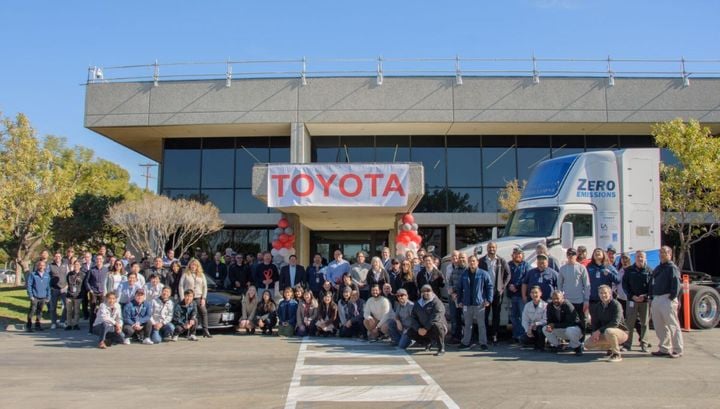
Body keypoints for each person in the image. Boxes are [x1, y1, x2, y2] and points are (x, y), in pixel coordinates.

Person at [649, 246, 683, 358]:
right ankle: (664, 348)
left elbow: (676, 284)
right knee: (659, 326)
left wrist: (672, 297)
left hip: (667, 298)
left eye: (665, 252)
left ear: (670, 254)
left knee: (672, 325)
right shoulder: (658, 268)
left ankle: (677, 349)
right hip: (657, 299)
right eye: (660, 252)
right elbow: (652, 282)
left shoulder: (672, 268)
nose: (662, 254)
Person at [456, 254, 494, 350]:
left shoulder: (484, 274)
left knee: (481, 324)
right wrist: (459, 300)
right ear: (468, 263)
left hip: (479, 303)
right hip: (467, 303)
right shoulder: (464, 274)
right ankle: (466, 342)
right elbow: (459, 288)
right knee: (467, 324)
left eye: (474, 261)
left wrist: (489, 300)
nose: (472, 263)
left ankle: (483, 343)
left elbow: (489, 287)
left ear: (477, 262)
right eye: (470, 261)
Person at [583, 284, 628, 362]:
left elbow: (615, 323)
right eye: (601, 293)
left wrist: (599, 331)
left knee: (609, 331)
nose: (603, 295)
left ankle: (616, 354)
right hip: (605, 332)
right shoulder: (597, 306)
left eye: (605, 293)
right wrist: (594, 332)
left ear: (610, 293)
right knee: (587, 344)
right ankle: (610, 347)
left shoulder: (616, 304)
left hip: (621, 332)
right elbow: (595, 323)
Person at [479, 242, 510, 344]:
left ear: (496, 248)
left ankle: (494, 335)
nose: (491, 249)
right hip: (485, 292)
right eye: (489, 247)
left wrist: (502, 286)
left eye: (493, 247)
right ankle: (486, 335)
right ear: (487, 249)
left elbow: (508, 274)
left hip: (497, 292)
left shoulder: (501, 260)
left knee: (496, 315)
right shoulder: (481, 261)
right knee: (485, 314)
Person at [557, 248, 590, 341]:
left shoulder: (581, 267)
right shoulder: (563, 268)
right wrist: (560, 298)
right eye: (569, 254)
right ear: (567, 255)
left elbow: (587, 284)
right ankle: (569, 340)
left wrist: (586, 300)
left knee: (581, 321)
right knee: (567, 321)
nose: (571, 256)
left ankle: (581, 340)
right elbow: (559, 284)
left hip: (579, 300)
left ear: (576, 255)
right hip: (567, 300)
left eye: (573, 254)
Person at [622, 251, 652, 352]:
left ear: (645, 258)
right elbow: (624, 285)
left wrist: (646, 296)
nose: (640, 259)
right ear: (635, 258)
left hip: (645, 301)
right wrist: (632, 296)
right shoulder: (629, 270)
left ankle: (644, 344)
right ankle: (627, 344)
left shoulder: (649, 270)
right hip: (632, 301)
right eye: (638, 256)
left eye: (642, 257)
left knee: (644, 323)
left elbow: (652, 286)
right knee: (629, 323)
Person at [408, 284, 447, 356]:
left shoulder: (437, 302)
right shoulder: (417, 304)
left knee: (437, 325)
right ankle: (427, 342)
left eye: (428, 291)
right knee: (410, 332)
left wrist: (426, 328)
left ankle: (441, 348)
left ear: (432, 291)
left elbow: (436, 317)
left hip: (436, 327)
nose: (426, 293)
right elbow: (413, 317)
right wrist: (418, 328)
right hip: (424, 328)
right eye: (423, 291)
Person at [178, 258, 212, 338]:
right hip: (188, 298)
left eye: (195, 265)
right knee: (190, 315)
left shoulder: (201, 275)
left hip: (198, 297)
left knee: (203, 312)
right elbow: (181, 286)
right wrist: (183, 298)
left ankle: (205, 330)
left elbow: (205, 287)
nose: (193, 266)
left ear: (198, 266)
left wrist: (203, 298)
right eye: (192, 265)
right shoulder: (186, 274)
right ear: (189, 265)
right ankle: (190, 332)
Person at [542, 290, 583, 355]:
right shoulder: (549, 305)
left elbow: (570, 323)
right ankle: (558, 346)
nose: (555, 300)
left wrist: (554, 325)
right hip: (560, 328)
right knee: (545, 329)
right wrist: (549, 325)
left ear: (562, 298)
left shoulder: (568, 305)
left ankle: (577, 346)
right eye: (553, 299)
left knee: (569, 330)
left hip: (574, 329)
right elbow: (549, 320)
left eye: (557, 298)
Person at [508, 247, 530, 343]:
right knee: (513, 316)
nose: (517, 255)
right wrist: (509, 285)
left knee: (522, 316)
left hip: (522, 295)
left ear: (522, 255)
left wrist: (516, 285)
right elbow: (504, 277)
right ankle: (516, 335)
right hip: (511, 295)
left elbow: (527, 278)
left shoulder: (526, 265)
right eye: (515, 254)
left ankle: (522, 336)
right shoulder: (508, 265)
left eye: (519, 254)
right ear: (512, 255)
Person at [447, 252, 467, 345]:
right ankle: (456, 337)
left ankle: (467, 338)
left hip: (465, 299)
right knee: (455, 318)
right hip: (454, 298)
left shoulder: (468, 270)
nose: (461, 259)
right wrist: (452, 292)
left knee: (466, 319)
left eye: (463, 258)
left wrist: (459, 293)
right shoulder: (454, 270)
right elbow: (450, 282)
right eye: (460, 258)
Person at [26, 260, 51, 332]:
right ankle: (29, 325)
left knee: (40, 311)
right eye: (40, 265)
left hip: (43, 296)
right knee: (32, 310)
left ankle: (38, 325)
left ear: (45, 267)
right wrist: (31, 295)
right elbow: (29, 285)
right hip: (35, 296)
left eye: (43, 265)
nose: (41, 267)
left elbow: (48, 287)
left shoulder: (47, 275)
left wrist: (48, 296)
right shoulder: (33, 274)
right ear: (38, 266)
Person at [86, 255, 108, 333]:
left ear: (103, 260)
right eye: (97, 259)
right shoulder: (91, 270)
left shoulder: (106, 270)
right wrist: (90, 290)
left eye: (100, 259)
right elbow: (87, 281)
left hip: (102, 293)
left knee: (103, 310)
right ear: (95, 260)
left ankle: (102, 328)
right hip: (94, 293)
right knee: (93, 311)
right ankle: (91, 329)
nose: (99, 260)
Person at [521, 286, 547, 350]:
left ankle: (541, 345)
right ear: (530, 294)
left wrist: (535, 324)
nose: (534, 294)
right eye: (532, 293)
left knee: (540, 329)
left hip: (540, 327)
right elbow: (524, 320)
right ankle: (534, 343)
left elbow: (545, 320)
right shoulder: (527, 305)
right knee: (523, 339)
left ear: (540, 293)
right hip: (530, 328)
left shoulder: (545, 305)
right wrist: (527, 330)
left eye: (536, 292)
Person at [48, 251, 69, 329]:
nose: (57, 258)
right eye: (56, 256)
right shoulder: (50, 266)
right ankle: (53, 322)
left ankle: (62, 321)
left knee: (67, 306)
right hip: (54, 289)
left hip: (64, 289)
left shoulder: (65, 265)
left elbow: (68, 276)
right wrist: (50, 287)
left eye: (59, 256)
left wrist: (67, 286)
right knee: (53, 307)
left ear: (61, 257)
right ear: (54, 257)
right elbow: (48, 277)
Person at [65, 260, 85, 330]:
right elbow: (68, 283)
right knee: (69, 311)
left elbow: (83, 285)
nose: (76, 266)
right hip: (69, 295)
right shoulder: (69, 274)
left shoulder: (82, 275)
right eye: (75, 264)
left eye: (77, 264)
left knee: (77, 311)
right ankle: (69, 324)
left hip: (78, 295)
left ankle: (76, 324)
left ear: (80, 266)